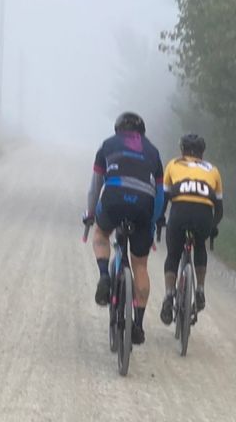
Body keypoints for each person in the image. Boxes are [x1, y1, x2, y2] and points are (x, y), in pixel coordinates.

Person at [83, 112, 164, 344]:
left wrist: (90, 214)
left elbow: (95, 186)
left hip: (114, 199)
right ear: (142, 132)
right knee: (140, 265)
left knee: (101, 233)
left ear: (118, 129)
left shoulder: (107, 145)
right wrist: (152, 222)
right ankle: (138, 324)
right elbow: (160, 195)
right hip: (143, 205)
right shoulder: (153, 152)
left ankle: (105, 276)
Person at [158, 133, 223, 325]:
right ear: (202, 153)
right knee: (200, 247)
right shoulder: (213, 170)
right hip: (203, 215)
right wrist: (213, 226)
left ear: (182, 150)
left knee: (173, 255)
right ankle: (200, 290)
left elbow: (164, 199)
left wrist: (160, 219)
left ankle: (169, 296)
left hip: (180, 213)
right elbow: (219, 209)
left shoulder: (173, 164)